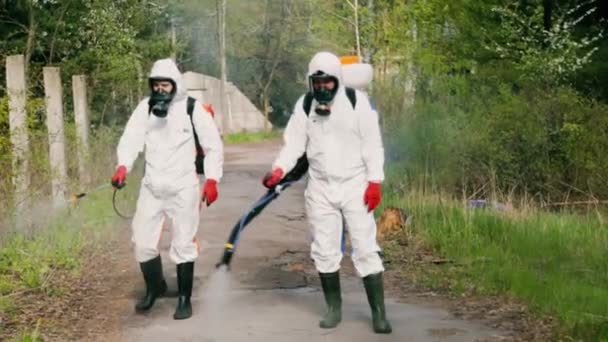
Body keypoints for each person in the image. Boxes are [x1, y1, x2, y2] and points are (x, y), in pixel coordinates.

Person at [262, 51, 391, 334]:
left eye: (328, 83)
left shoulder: (357, 103)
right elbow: (294, 143)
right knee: (324, 249)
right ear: (311, 83)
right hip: (320, 187)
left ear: (338, 81)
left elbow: (373, 145)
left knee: (366, 248)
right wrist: (279, 170)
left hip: (355, 185)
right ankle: (334, 309)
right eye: (317, 84)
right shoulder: (306, 104)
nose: (323, 89)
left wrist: (374, 182)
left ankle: (379, 314)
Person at [110, 58, 224, 320]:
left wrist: (212, 179)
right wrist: (123, 166)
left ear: (176, 86)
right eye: (156, 85)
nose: (161, 90)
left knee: (183, 241)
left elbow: (212, 145)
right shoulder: (145, 108)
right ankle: (155, 287)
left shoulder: (192, 108)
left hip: (183, 187)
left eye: (165, 85)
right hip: (152, 187)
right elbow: (131, 138)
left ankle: (184, 299)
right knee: (142, 241)